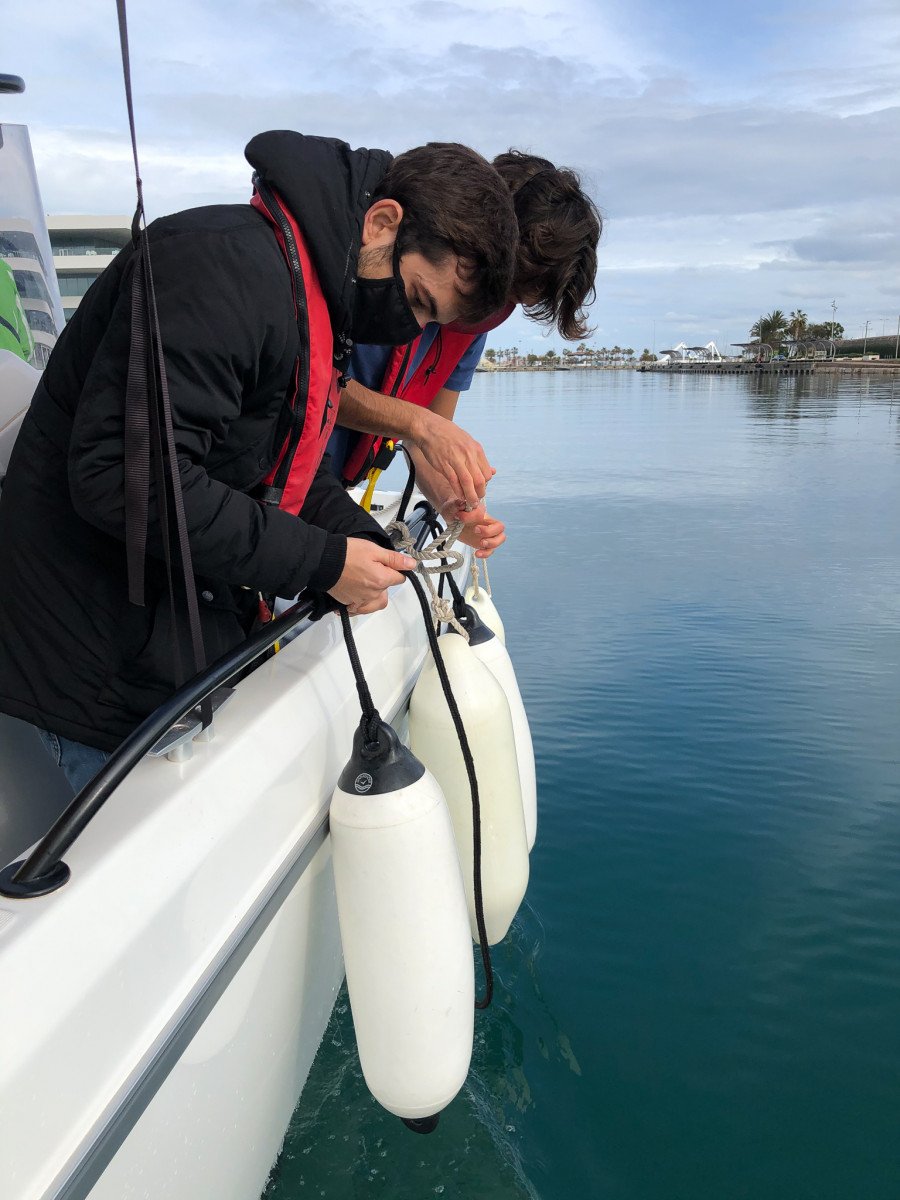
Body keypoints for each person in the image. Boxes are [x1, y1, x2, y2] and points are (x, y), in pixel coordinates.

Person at [0, 131, 517, 790]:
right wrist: (323, 563)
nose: (411, 328)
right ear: (383, 223)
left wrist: (364, 545)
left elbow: (273, 465)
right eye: (417, 298)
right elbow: (128, 480)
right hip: (95, 660)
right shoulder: (215, 266)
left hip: (167, 637)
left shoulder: (307, 292)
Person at [329, 150, 602, 556]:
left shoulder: (472, 326)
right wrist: (420, 425)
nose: (483, 309)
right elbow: (308, 382)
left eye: (511, 301)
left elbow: (429, 439)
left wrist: (454, 507)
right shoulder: (370, 272)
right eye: (496, 288)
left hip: (323, 489)